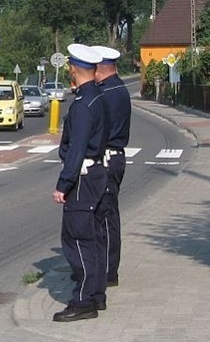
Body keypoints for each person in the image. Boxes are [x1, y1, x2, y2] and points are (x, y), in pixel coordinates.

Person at [52, 44, 107, 323]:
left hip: (83, 179)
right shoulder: (97, 97)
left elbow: (76, 148)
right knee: (94, 238)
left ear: (74, 69)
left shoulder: (83, 105)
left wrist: (64, 184)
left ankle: (83, 300)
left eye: (70, 68)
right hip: (96, 174)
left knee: (78, 239)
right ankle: (96, 294)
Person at [91, 45, 131, 309]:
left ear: (99, 69)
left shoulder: (107, 94)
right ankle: (104, 268)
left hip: (107, 157)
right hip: (113, 156)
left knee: (106, 216)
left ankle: (108, 272)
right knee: (105, 214)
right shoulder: (117, 88)